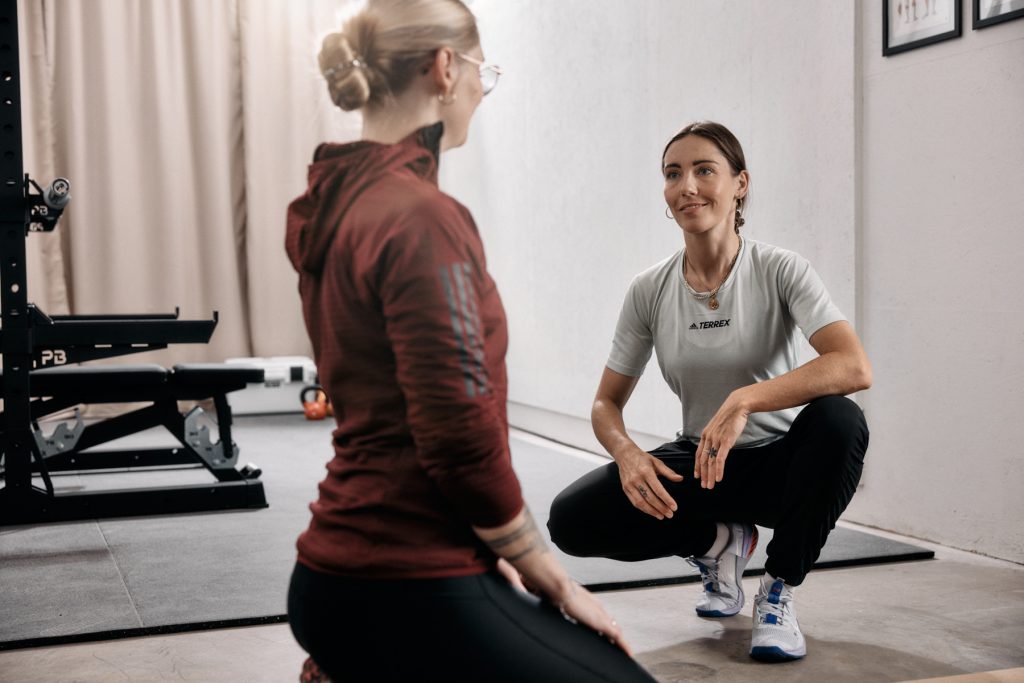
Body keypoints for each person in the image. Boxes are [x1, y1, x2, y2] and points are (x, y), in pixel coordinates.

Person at [283, 2, 655, 681]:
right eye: (484, 71)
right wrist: (550, 576)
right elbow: (458, 437)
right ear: (446, 68)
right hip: (404, 576)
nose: (484, 90)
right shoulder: (422, 217)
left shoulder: (337, 204)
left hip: (331, 574)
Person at [547, 121, 871, 662]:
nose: (687, 186)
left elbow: (852, 365)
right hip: (704, 464)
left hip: (782, 466)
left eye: (704, 170)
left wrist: (745, 399)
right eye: (674, 174)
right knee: (571, 519)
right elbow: (606, 402)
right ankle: (718, 543)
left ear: (740, 183)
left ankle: (777, 590)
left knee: (841, 420)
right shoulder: (649, 289)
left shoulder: (781, 269)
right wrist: (627, 454)